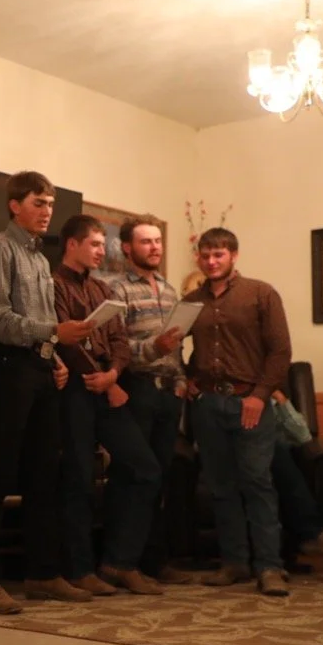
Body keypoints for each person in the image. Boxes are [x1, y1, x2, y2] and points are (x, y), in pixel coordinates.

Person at [0, 171, 95, 611]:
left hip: (40, 367)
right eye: (38, 203)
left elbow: (43, 325)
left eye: (50, 204)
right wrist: (54, 332)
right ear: (14, 205)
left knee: (45, 473)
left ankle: (43, 574)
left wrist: (55, 356)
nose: (47, 212)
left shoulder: (41, 259)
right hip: (10, 367)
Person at [53, 214, 164, 595]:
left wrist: (113, 375)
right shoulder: (53, 284)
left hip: (106, 385)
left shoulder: (102, 288)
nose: (103, 251)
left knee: (145, 468)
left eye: (104, 244)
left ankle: (120, 562)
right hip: (75, 388)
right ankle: (79, 569)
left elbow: (119, 339)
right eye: (96, 244)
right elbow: (65, 341)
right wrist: (99, 378)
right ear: (73, 244)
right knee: (79, 477)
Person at [185, 227, 293, 597]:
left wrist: (260, 395)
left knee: (257, 483)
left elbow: (280, 351)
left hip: (250, 402)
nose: (211, 261)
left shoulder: (261, 293)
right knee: (221, 487)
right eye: (205, 255)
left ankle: (270, 567)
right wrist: (186, 377)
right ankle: (234, 563)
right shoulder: (190, 301)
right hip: (207, 405)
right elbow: (170, 343)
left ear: (234, 255)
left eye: (219, 254)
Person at [105, 214, 195, 585]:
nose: (155, 247)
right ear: (127, 247)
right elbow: (115, 344)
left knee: (159, 480)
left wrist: (181, 379)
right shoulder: (115, 289)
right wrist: (152, 348)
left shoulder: (171, 290)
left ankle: (153, 562)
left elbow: (177, 343)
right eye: (146, 241)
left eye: (158, 241)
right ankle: (120, 563)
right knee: (134, 477)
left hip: (168, 393)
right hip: (136, 389)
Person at [269, 389, 323, 557]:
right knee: (277, 448)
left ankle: (312, 534)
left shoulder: (269, 398)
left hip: (270, 457)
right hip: (243, 452)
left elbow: (303, 435)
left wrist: (280, 400)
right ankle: (312, 533)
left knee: (279, 448)